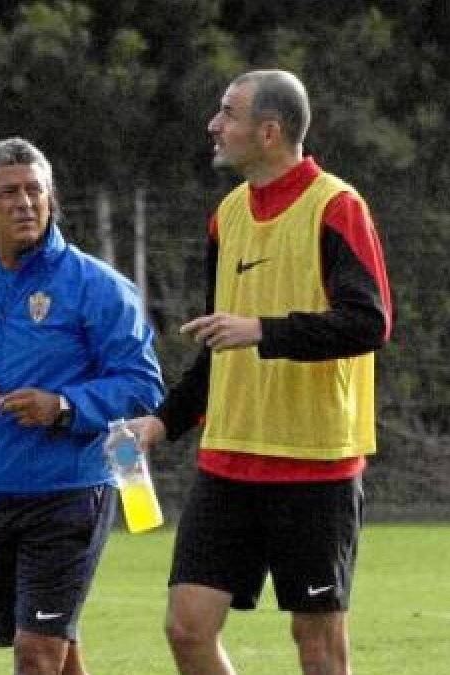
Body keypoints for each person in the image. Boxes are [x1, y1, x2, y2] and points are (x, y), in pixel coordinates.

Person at [128, 70, 394, 674]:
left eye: (228, 113)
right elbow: (217, 345)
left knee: (317, 643)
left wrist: (264, 331)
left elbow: (369, 322)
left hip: (316, 462)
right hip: (228, 460)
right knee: (187, 628)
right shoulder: (227, 214)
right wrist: (162, 423)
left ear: (269, 132)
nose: (213, 125)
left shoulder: (338, 206)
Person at [0, 137, 163, 675]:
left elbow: (142, 385)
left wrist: (63, 406)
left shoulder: (96, 286)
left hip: (72, 490)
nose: (25, 203)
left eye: (35, 190)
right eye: (9, 193)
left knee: (36, 653)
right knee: (55, 648)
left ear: (51, 200)